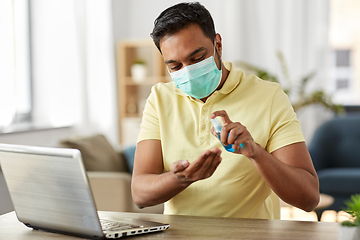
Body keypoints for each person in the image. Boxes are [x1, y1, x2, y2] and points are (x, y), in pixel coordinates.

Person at [131, 2, 319, 219]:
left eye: (197, 58)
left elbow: (309, 198)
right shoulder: (160, 98)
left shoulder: (269, 97)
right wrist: (181, 178)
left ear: (217, 44)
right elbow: (139, 194)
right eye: (175, 66)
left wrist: (256, 153)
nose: (188, 72)